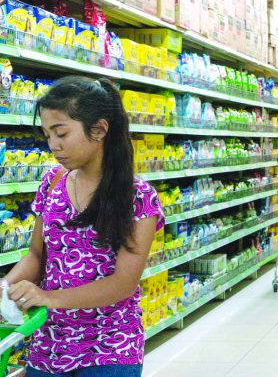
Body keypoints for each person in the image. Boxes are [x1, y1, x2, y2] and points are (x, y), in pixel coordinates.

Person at [3, 76, 164, 376]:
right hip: (49, 342)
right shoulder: (51, 184)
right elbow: (37, 257)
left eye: (61, 133)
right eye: (47, 134)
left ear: (100, 130)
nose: (53, 145)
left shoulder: (138, 198)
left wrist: (48, 298)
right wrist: (4, 288)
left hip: (111, 345)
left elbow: (122, 284)